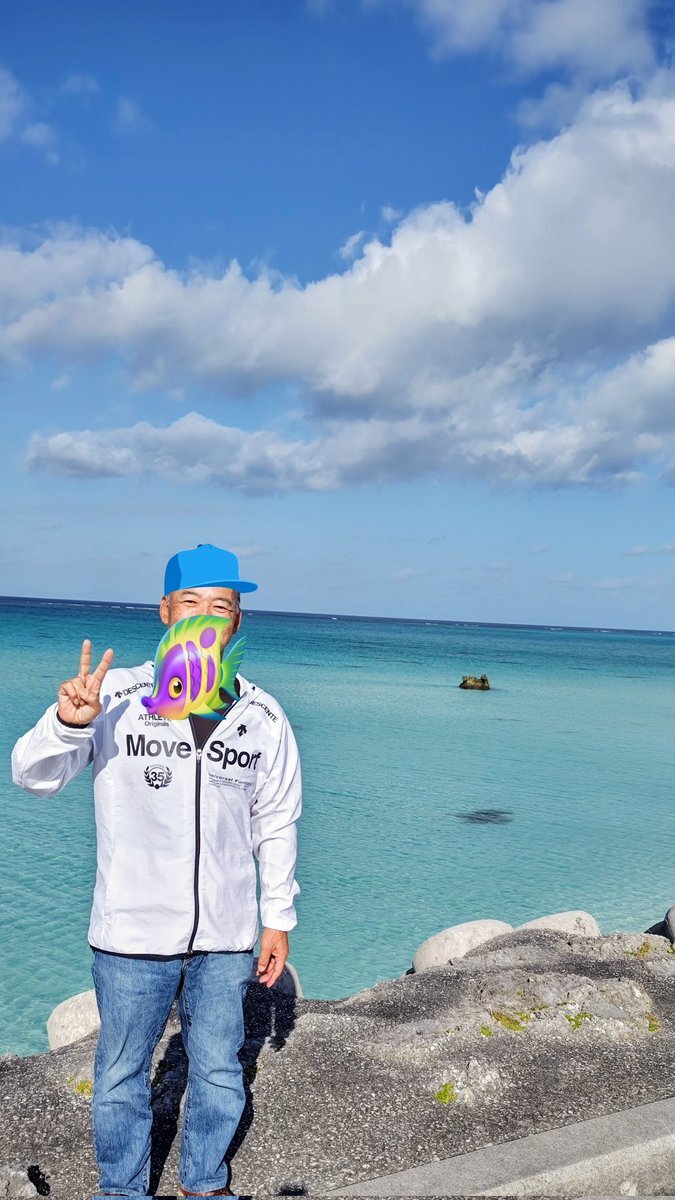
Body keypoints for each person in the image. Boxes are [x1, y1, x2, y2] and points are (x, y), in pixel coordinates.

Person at [11, 544, 302, 1199]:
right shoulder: (113, 695)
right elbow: (31, 776)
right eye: (191, 602)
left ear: (236, 620)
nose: (206, 615)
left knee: (220, 1070)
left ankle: (206, 1184)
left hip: (225, 936)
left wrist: (277, 918)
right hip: (131, 934)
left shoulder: (261, 714)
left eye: (221, 606)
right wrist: (67, 724)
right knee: (120, 1073)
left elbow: (277, 821)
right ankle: (122, 1190)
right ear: (165, 610)